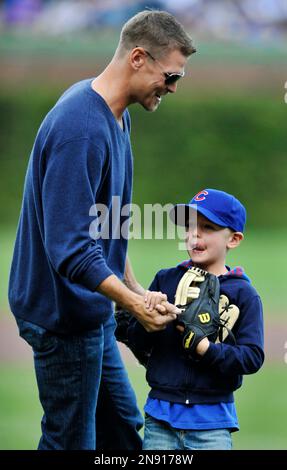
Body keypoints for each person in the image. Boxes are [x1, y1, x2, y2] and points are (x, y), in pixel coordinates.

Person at [8, 10, 196, 450]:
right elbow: (70, 248)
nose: (172, 88)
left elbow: (105, 224)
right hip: (63, 318)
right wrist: (132, 302)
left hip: (89, 313)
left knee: (123, 436)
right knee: (70, 441)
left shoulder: (116, 116)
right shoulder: (82, 128)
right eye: (170, 76)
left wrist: (134, 293)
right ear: (137, 58)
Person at [126, 188, 264, 450]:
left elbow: (252, 357)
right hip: (160, 419)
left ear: (233, 239)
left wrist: (205, 348)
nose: (194, 234)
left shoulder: (242, 293)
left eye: (208, 227)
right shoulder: (166, 279)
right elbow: (139, 344)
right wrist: (148, 318)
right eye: (189, 227)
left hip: (212, 424)